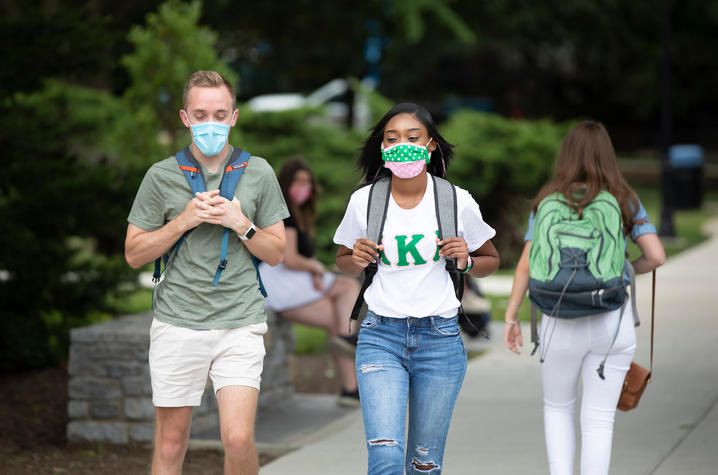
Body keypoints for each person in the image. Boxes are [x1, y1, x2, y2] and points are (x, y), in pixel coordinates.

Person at [125, 70, 289, 475]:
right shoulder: (161, 176)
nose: (210, 123)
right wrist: (182, 221)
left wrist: (241, 223)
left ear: (233, 117)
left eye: (219, 114)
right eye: (201, 114)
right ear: (185, 118)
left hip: (240, 321)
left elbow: (277, 252)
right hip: (178, 322)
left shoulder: (260, 172)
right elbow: (133, 254)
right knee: (171, 440)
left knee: (237, 438)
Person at [334, 102, 500, 474]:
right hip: (380, 335)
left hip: (439, 340)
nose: (402, 145)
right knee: (386, 456)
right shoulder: (365, 201)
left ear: (430, 146)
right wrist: (355, 257)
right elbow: (343, 259)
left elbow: (491, 259)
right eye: (392, 139)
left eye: (413, 137)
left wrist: (467, 260)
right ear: (382, 148)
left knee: (424, 465)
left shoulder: (456, 200)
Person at [503, 121, 665, 475]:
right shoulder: (625, 200)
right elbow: (656, 256)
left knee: (558, 409)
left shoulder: (546, 201)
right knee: (599, 420)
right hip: (612, 323)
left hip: (558, 321)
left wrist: (512, 315)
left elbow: (526, 266)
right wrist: (623, 270)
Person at [258, 157, 361, 406]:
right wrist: (315, 267)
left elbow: (301, 257)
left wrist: (314, 270)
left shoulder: (298, 215)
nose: (303, 186)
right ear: (286, 184)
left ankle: (350, 389)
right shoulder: (284, 215)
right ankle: (349, 344)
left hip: (292, 281)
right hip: (281, 282)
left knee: (337, 322)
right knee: (348, 287)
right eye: (298, 181)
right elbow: (290, 258)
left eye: (307, 181)